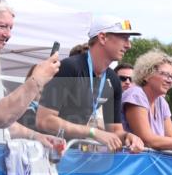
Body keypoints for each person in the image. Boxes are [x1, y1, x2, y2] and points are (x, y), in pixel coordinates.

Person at [0, 0, 63, 150]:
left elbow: (1, 124)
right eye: (2, 26)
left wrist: (37, 136)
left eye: (10, 28)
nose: (8, 34)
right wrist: (36, 81)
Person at [37, 15, 144, 153]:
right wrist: (93, 132)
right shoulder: (70, 67)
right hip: (46, 153)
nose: (129, 45)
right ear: (102, 38)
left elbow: (115, 130)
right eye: (124, 37)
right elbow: (44, 120)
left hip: (75, 154)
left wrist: (128, 136)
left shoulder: (112, 79)